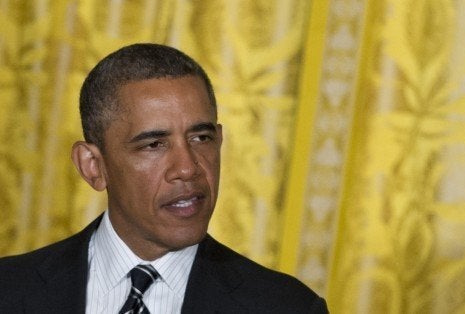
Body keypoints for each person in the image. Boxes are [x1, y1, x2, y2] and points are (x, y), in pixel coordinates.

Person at [0, 43, 328, 313]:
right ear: (93, 166)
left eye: (201, 138)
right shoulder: (9, 291)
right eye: (154, 144)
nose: (188, 168)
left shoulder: (288, 307)